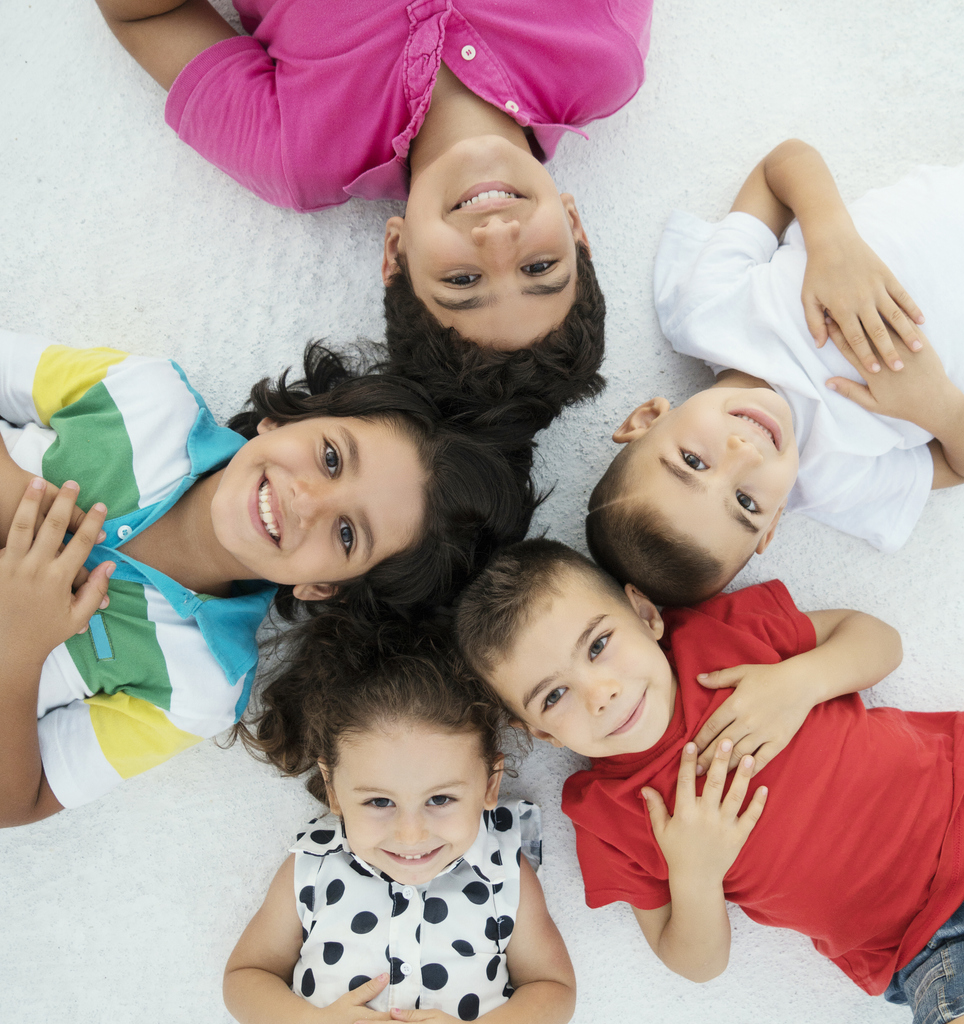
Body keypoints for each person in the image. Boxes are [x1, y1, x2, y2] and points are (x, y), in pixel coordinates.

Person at [455, 539, 964, 1022]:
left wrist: (803, 680)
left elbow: (877, 639)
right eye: (554, 697)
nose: (598, 693)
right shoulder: (606, 817)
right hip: (932, 944)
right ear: (541, 734)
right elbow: (694, 963)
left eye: (600, 645)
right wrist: (695, 873)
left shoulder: (722, 637)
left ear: (647, 614)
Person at [0, 329, 535, 825]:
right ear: (287, 420)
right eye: (330, 457)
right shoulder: (144, 399)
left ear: (324, 588)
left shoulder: (199, 684)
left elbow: (19, 801)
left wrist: (18, 648)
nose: (307, 501)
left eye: (347, 534)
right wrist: (17, 497)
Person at [93, 0, 653, 424]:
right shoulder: (605, 59)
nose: (499, 237)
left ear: (396, 253)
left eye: (462, 279)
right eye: (540, 268)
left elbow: (142, 14)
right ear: (575, 229)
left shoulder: (296, 153)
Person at [586, 140, 964, 606]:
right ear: (773, 524)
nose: (742, 454)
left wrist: (833, 242)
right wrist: (937, 405)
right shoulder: (833, 478)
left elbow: (783, 164)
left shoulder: (707, 313)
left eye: (694, 461)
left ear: (646, 419)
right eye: (746, 503)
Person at [224, 620, 575, 1024]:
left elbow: (552, 988)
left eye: (440, 799)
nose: (411, 834)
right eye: (378, 801)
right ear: (333, 790)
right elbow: (246, 976)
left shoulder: (502, 868)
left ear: (489, 786)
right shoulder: (314, 863)